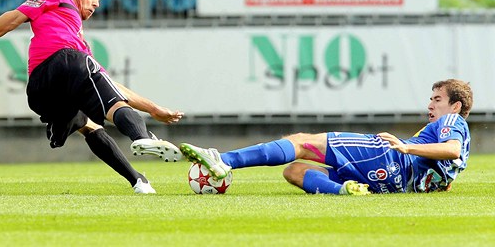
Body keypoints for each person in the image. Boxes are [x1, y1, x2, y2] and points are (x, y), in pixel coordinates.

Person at [0, 0, 183, 194]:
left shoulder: (80, 42)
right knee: (113, 105)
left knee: (90, 125)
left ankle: (137, 180)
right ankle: (141, 138)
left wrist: (153, 109)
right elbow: (12, 18)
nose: (96, 3)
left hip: (40, 91)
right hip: (63, 62)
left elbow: (112, 86)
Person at [175, 79, 472, 195]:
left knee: (303, 142)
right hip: (392, 183)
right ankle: (343, 191)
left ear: (455, 105)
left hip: (386, 156)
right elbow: (446, 174)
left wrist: (404, 146)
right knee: (294, 171)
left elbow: (451, 150)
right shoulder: (456, 133)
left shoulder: (453, 120)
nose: (430, 105)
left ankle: (223, 159)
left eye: (437, 99)